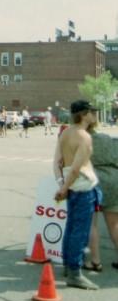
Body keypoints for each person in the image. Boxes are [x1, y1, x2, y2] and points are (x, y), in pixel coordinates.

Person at [53, 99, 101, 290]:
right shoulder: (84, 137)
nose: (94, 115)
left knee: (71, 226)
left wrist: (62, 185)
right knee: (80, 231)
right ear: (83, 114)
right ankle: (74, 272)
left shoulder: (66, 133)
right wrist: (63, 189)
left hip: (72, 185)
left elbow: (58, 162)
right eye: (91, 112)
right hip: (81, 186)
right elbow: (75, 168)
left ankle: (68, 264)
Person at [86, 129, 118, 273]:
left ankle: (95, 261)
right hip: (114, 178)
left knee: (92, 224)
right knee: (114, 225)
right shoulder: (107, 138)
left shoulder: (85, 140)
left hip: (94, 179)